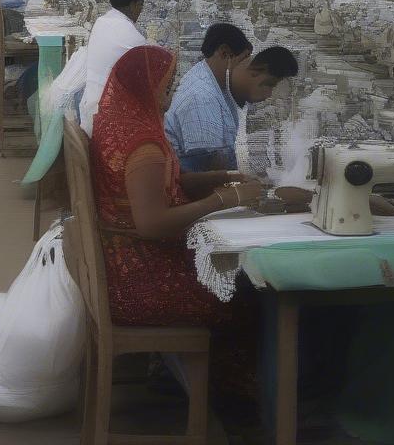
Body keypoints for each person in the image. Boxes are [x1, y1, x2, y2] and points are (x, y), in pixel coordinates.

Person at [90, 45, 261, 396]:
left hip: (121, 261)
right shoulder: (144, 146)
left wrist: (226, 176)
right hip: (138, 278)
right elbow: (151, 223)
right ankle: (229, 396)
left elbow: (169, 181)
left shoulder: (121, 121)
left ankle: (208, 383)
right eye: (165, 88)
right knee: (246, 292)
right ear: (143, 87)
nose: (170, 97)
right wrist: (222, 200)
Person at [166, 42, 299, 173]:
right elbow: (209, 167)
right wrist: (237, 185)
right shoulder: (203, 99)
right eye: (269, 85)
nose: (269, 94)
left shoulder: (226, 97)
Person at [164, 24, 253, 172]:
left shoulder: (217, 83)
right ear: (225, 53)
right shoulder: (201, 95)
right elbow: (210, 167)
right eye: (243, 61)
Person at [79, 0, 148, 137]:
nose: (141, 10)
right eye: (141, 5)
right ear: (134, 4)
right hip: (108, 119)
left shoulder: (101, 22)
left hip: (89, 109)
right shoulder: (132, 36)